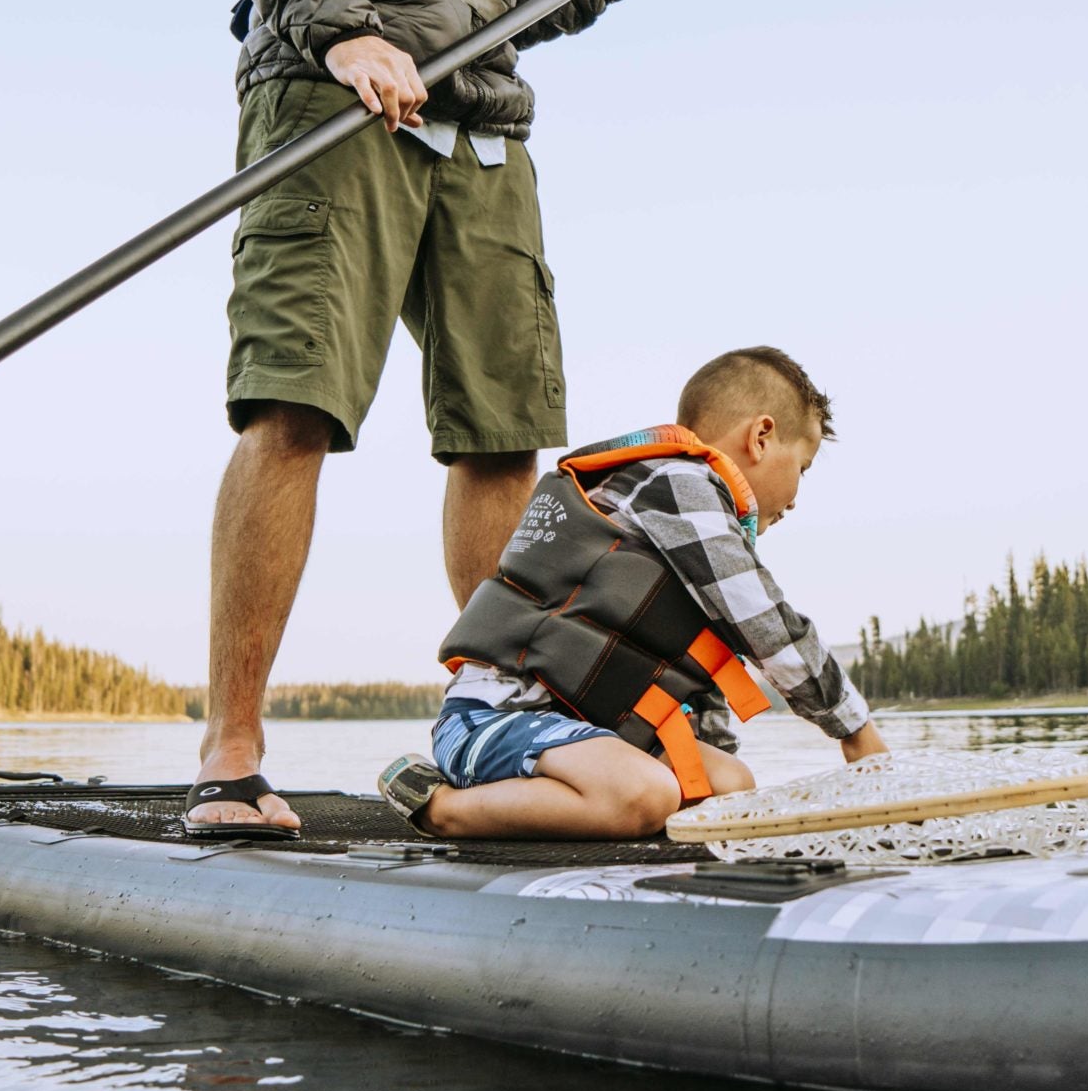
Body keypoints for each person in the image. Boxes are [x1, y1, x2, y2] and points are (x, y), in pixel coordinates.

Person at [187, 0, 704, 839]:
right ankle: (231, 753)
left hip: (477, 126)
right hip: (340, 93)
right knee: (298, 396)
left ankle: (489, 738)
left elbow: (491, 11)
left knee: (502, 431)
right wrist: (340, 30)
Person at [377, 347, 890, 840]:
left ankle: (615, 799)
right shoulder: (678, 483)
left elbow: (697, 670)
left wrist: (706, 777)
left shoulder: (692, 524)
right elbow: (761, 618)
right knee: (644, 795)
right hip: (495, 724)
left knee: (731, 785)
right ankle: (436, 805)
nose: (797, 498)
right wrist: (855, 733)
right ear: (760, 437)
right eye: (802, 467)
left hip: (583, 737)